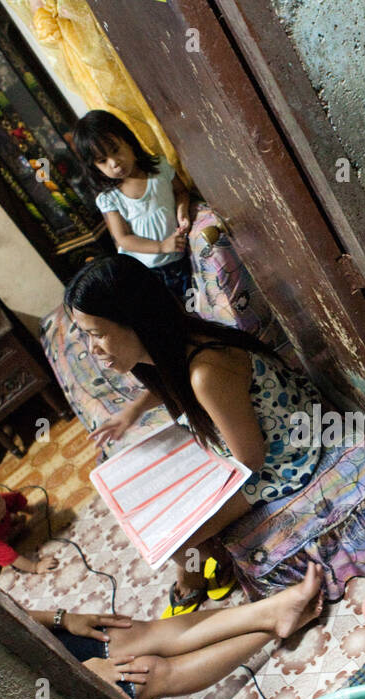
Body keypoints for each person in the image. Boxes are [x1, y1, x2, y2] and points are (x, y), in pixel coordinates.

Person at [64, 255, 323, 617]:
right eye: (87, 336)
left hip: (285, 455)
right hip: (249, 439)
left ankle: (194, 581)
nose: (93, 349)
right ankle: (209, 567)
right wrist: (133, 411)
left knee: (174, 541)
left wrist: (197, 498)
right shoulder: (170, 347)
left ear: (136, 320)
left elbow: (251, 460)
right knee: (151, 504)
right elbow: (173, 376)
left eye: (97, 334)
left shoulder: (207, 372)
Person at [27, 563, 323, 699]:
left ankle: (273, 610)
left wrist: (62, 619)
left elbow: (4, 609)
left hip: (39, 651)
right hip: (43, 697)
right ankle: (274, 628)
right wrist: (75, 677)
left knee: (127, 637)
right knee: (147, 672)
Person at [72, 111, 192, 300]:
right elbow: (123, 238)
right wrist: (161, 246)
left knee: (193, 307)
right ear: (94, 167)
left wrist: (182, 211)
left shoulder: (159, 169)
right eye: (102, 161)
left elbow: (181, 192)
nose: (114, 163)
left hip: (180, 258)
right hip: (147, 272)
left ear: (128, 141)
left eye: (115, 150)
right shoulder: (110, 197)